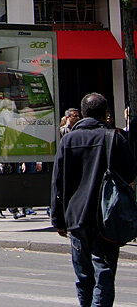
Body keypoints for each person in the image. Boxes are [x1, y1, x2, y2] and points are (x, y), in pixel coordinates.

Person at [52, 92, 137, 307]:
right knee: (105, 272)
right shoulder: (114, 137)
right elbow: (130, 176)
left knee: (83, 275)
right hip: (106, 216)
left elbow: (58, 183)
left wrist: (58, 219)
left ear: (82, 114)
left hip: (76, 217)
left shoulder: (68, 140)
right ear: (105, 114)